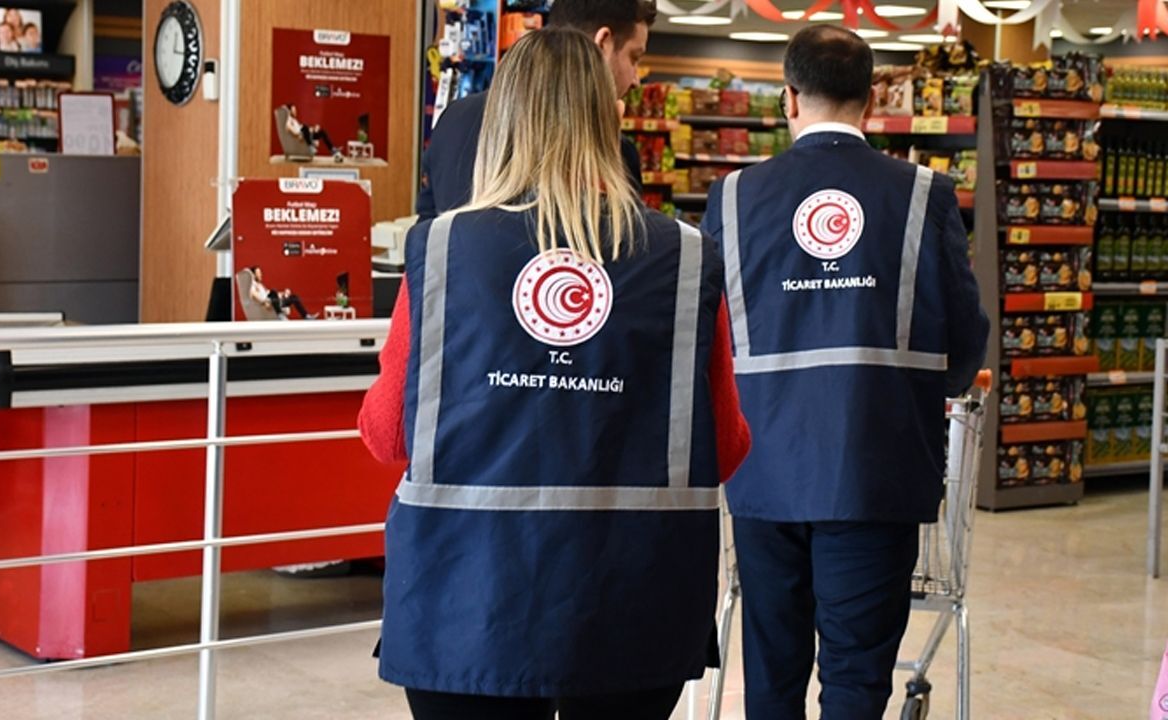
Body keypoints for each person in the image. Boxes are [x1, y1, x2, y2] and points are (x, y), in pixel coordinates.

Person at [359, 27, 750, 720]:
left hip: (467, 598)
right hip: (635, 598)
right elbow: (723, 447)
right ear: (607, 118)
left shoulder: (443, 249)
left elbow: (387, 434)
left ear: (501, 120)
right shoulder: (686, 258)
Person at [701, 25, 988, 720]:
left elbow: (705, 332)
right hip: (878, 468)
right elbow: (966, 335)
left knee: (772, 673)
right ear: (871, 99)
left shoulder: (733, 198)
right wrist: (930, 387)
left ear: (788, 98)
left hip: (764, 474)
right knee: (858, 678)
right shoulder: (924, 194)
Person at [415, 0, 654, 220]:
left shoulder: (454, 120)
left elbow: (427, 232)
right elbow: (629, 246)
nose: (636, 80)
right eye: (634, 58)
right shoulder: (614, 153)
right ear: (603, 44)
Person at [247, 266, 312, 319]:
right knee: (273, 292)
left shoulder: (261, 285)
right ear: (253, 275)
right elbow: (253, 295)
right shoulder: (252, 285)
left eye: (260, 273)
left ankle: (306, 316)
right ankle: (280, 315)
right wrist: (264, 302)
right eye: (258, 273)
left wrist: (283, 293)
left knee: (294, 297)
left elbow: (268, 293)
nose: (261, 274)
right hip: (268, 302)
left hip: (275, 301)